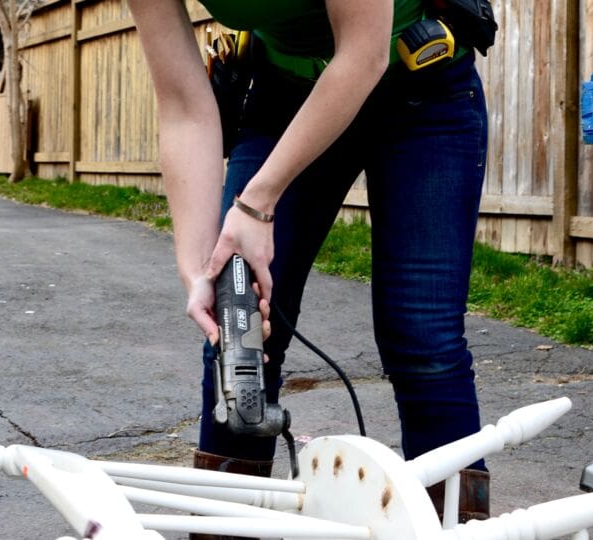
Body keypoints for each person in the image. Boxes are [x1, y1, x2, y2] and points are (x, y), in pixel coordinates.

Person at [128, 0, 491, 534]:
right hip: (284, 93)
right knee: (238, 330)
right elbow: (184, 107)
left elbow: (362, 55)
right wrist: (203, 270)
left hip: (421, 88)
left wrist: (257, 203)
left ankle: (455, 530)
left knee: (424, 342)